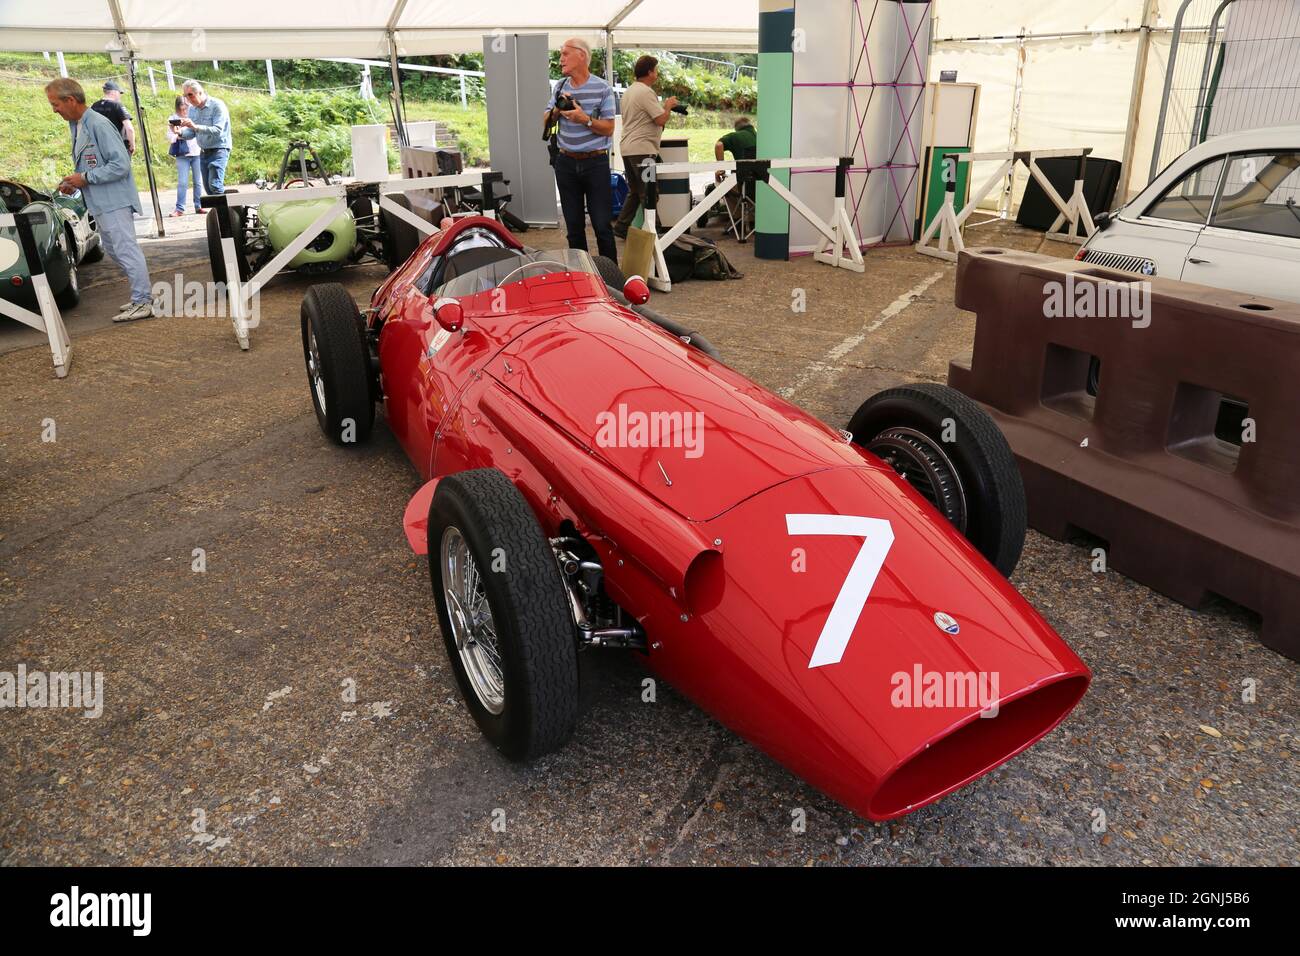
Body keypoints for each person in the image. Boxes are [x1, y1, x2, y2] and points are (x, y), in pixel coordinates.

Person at [45, 78, 156, 322]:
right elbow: (91, 163)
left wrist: (85, 177)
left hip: (114, 200)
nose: (54, 110)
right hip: (102, 202)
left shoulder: (98, 123)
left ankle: (143, 301)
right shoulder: (78, 124)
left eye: (55, 104)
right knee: (116, 251)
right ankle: (141, 296)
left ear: (70, 100)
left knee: (126, 250)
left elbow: (121, 165)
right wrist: (73, 182)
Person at [542, 38, 617, 261]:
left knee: (602, 225)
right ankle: (582, 281)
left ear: (581, 55)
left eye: (565, 53)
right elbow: (545, 120)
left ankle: (611, 280)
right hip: (565, 163)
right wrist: (557, 109)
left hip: (595, 163)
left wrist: (584, 119)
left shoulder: (603, 88)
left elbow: (609, 128)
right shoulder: (560, 86)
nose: (561, 58)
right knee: (574, 228)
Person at [613, 55, 678, 240]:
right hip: (643, 150)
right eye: (656, 70)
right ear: (649, 72)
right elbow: (660, 119)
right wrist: (668, 106)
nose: (657, 74)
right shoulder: (646, 92)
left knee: (635, 191)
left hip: (628, 148)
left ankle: (622, 226)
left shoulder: (630, 91)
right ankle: (656, 231)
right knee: (648, 191)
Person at [177, 80, 232, 195]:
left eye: (190, 95)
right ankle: (221, 211)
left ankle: (226, 212)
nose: (187, 99)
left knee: (215, 186)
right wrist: (179, 133)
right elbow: (192, 133)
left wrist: (195, 126)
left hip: (219, 150)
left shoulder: (217, 105)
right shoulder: (192, 109)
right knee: (208, 189)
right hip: (203, 152)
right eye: (185, 96)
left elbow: (218, 130)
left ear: (200, 93)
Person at [166, 95, 204, 216]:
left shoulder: (194, 116)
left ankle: (199, 206)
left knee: (198, 182)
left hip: (197, 152)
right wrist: (177, 132)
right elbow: (170, 138)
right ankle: (180, 208)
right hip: (182, 154)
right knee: (182, 182)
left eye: (186, 107)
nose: (184, 110)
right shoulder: (173, 118)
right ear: (177, 107)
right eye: (181, 108)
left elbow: (200, 131)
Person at [90, 79, 135, 155]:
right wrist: (132, 146)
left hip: (100, 148)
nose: (120, 95)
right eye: (119, 93)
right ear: (114, 92)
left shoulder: (94, 106)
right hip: (117, 146)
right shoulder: (117, 105)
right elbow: (129, 129)